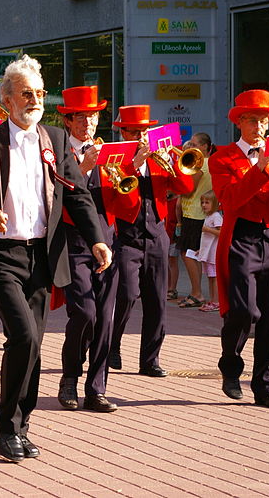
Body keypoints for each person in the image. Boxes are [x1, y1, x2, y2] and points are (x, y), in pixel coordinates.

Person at [0, 55, 111, 463]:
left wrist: (98, 240)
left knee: (34, 343)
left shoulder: (54, 139)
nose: (35, 100)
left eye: (40, 93)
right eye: (26, 93)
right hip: (0, 254)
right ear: (6, 99)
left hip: (42, 253)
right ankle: (5, 424)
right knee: (22, 335)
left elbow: (77, 194)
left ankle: (22, 424)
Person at [210, 90, 269, 409]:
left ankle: (266, 387)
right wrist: (261, 169)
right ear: (239, 122)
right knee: (243, 311)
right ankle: (231, 366)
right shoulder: (222, 157)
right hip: (241, 237)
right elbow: (231, 199)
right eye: (252, 119)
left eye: (264, 120)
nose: (260, 126)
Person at [108, 105, 193, 378]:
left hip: (157, 235)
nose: (141, 136)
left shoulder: (159, 158)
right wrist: (133, 165)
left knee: (157, 300)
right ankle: (112, 345)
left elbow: (185, 188)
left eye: (144, 131)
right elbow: (113, 196)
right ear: (124, 133)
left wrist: (173, 162)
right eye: (134, 132)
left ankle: (150, 359)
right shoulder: (115, 158)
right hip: (125, 236)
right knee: (126, 295)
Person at [54, 86, 120, 413]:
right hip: (72, 240)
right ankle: (69, 378)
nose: (88, 123)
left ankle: (97, 388)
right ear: (68, 121)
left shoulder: (109, 151)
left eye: (92, 116)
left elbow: (125, 201)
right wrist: (82, 169)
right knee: (84, 312)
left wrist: (132, 167)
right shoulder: (57, 150)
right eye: (81, 116)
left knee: (106, 318)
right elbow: (51, 198)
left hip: (106, 241)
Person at [176, 133, 213, 309]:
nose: (191, 146)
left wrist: (176, 189)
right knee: (193, 254)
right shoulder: (208, 163)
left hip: (193, 213)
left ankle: (197, 292)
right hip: (199, 213)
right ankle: (196, 291)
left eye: (194, 143)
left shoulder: (201, 165)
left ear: (205, 147)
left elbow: (188, 190)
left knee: (188, 254)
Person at [194, 190, 221, 312]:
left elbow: (221, 233)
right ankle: (213, 300)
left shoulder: (216, 217)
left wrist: (207, 229)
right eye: (202, 202)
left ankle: (216, 301)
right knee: (211, 278)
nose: (204, 205)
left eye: (207, 202)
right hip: (208, 253)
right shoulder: (209, 217)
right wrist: (201, 250)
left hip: (213, 254)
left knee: (214, 278)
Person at [166, 192, 181, 301]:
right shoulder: (162, 200)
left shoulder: (177, 201)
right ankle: (166, 287)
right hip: (163, 235)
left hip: (173, 235)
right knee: (164, 262)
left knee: (172, 261)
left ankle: (172, 288)